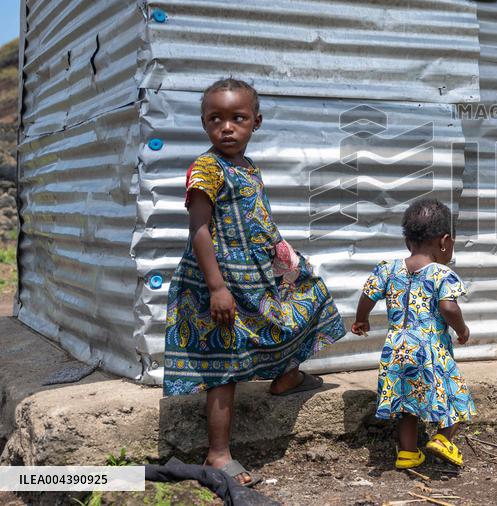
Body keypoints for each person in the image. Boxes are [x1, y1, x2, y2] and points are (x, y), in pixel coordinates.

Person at [164, 78, 346, 486]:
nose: (226, 127)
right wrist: (216, 288)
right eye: (216, 119)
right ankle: (218, 455)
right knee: (224, 367)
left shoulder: (247, 167)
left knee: (309, 296)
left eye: (237, 118)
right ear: (203, 123)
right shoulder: (207, 168)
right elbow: (199, 229)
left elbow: (255, 219)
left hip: (255, 276)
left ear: (256, 122)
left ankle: (287, 377)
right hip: (218, 282)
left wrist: (285, 258)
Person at [351, 198, 476, 469]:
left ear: (409, 242)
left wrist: (361, 320)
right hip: (431, 348)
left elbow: (367, 293)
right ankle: (443, 439)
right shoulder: (443, 274)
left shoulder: (387, 268)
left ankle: (407, 453)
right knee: (456, 395)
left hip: (397, 347)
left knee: (408, 403)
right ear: (444, 242)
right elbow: (448, 307)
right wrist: (462, 329)